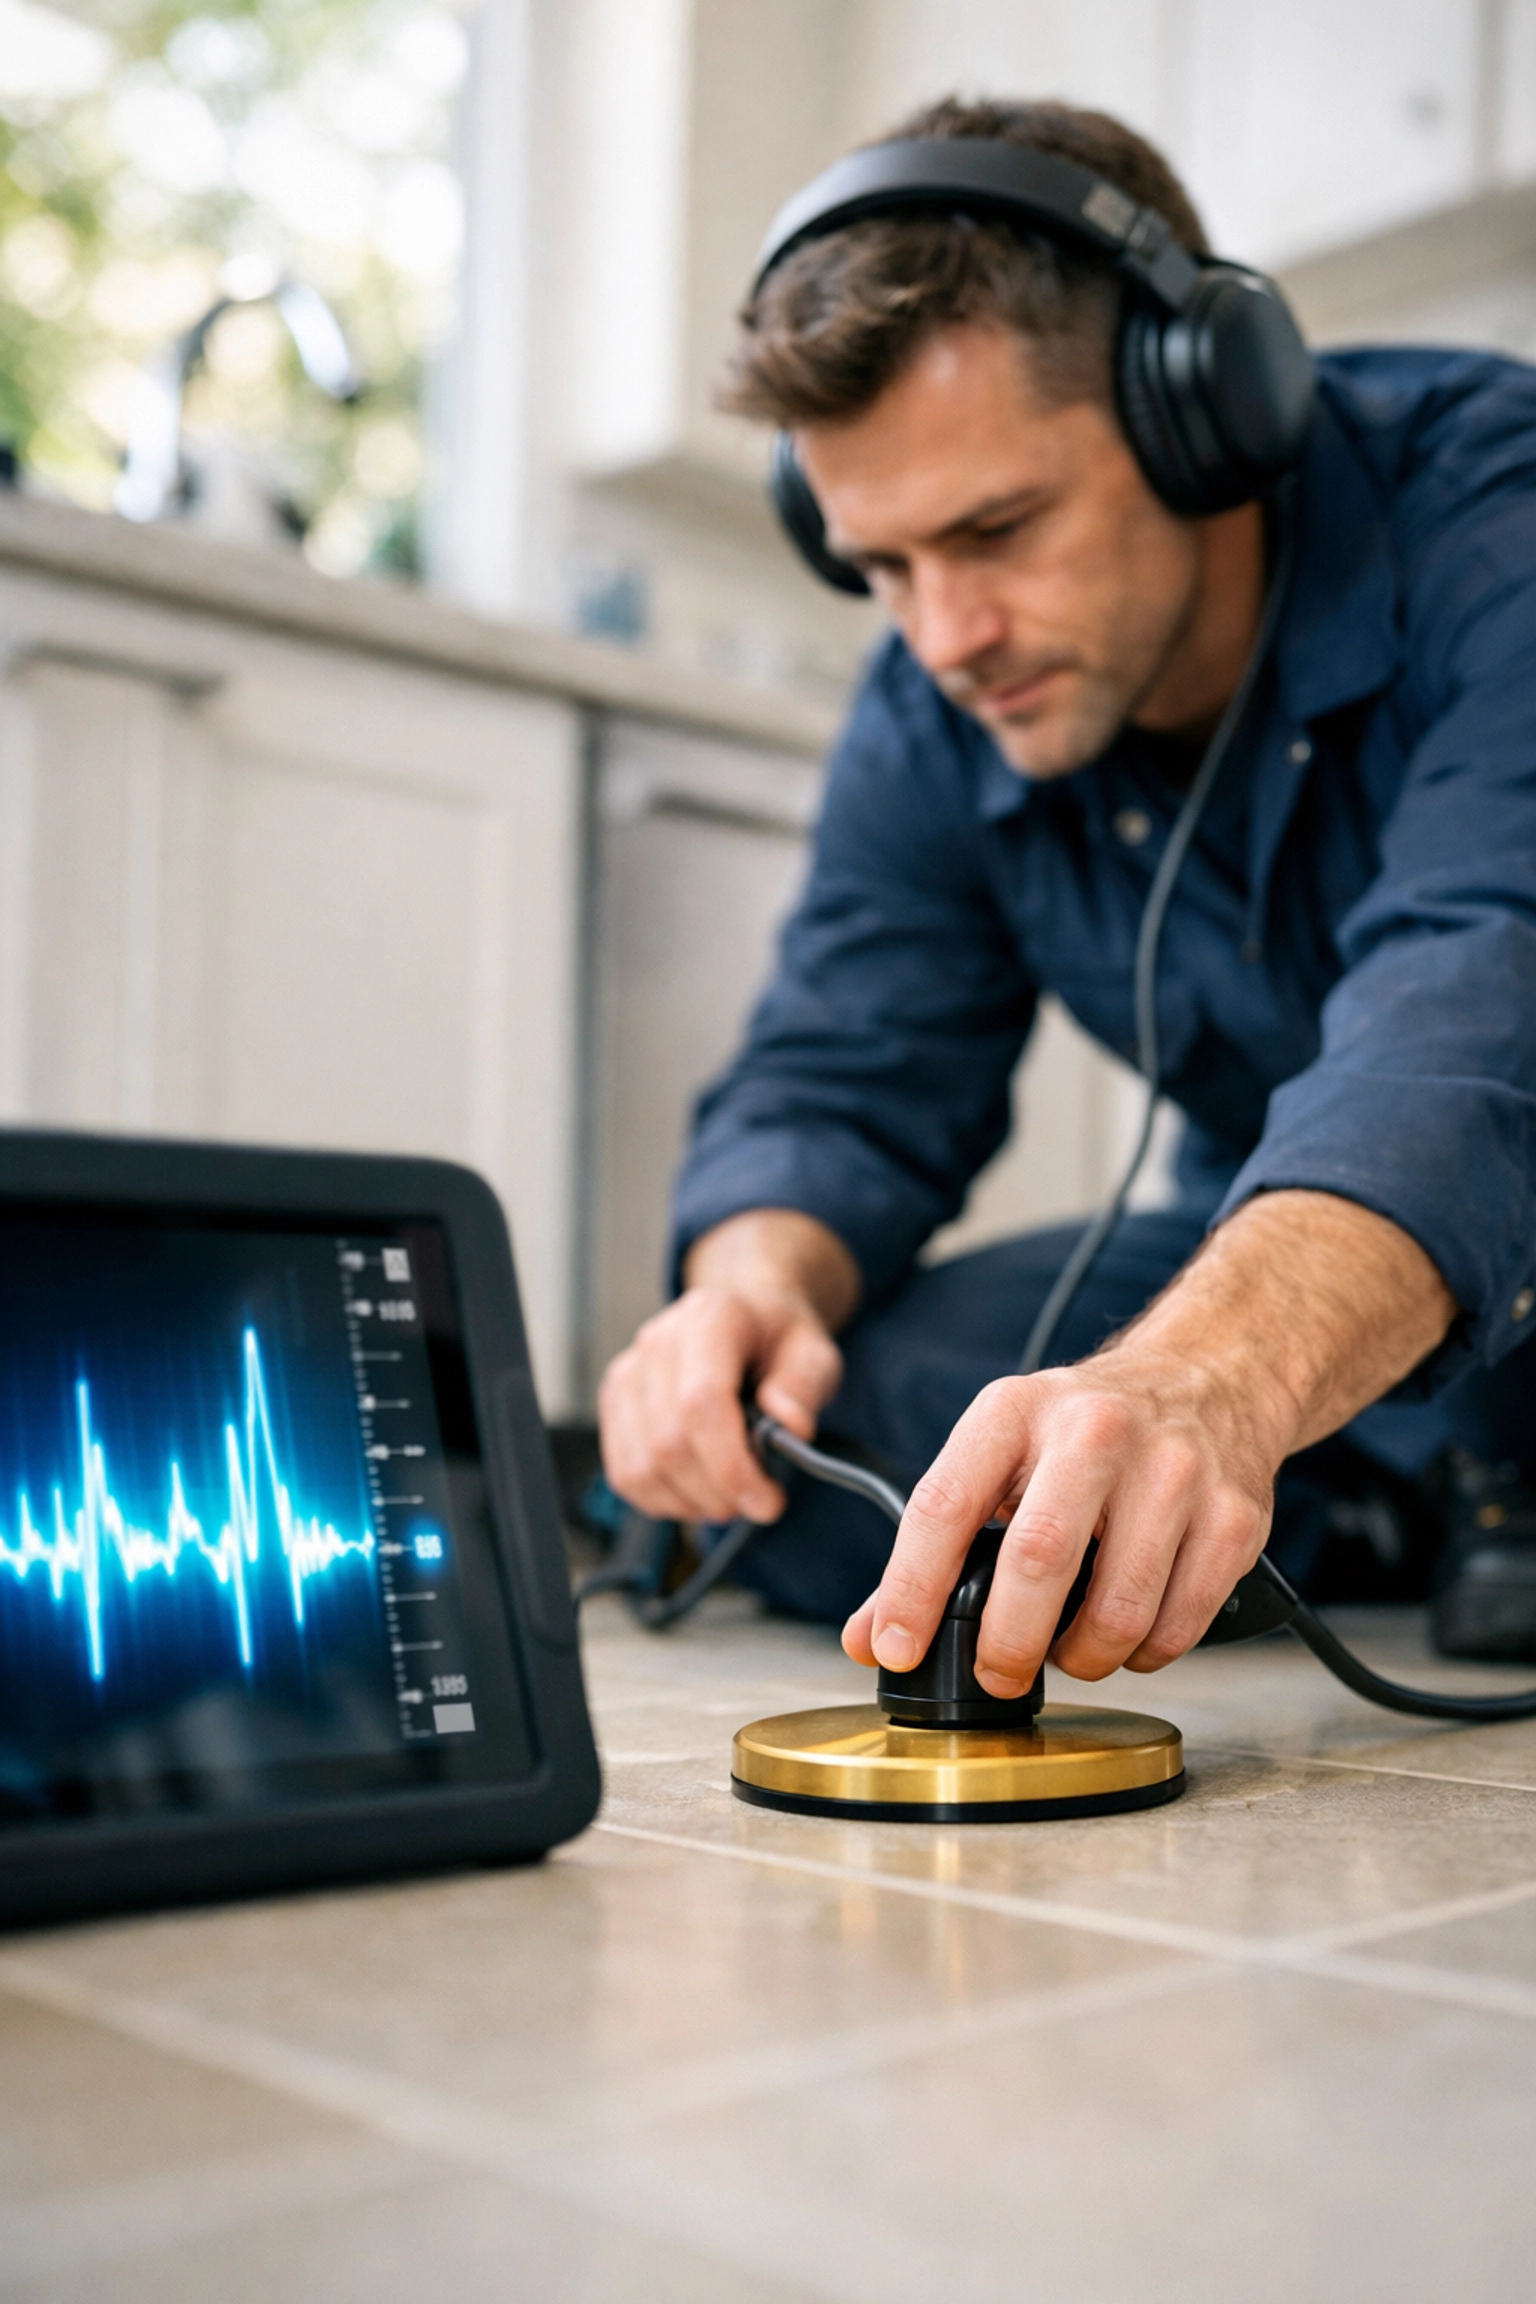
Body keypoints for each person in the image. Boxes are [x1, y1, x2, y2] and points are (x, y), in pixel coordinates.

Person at [598, 96, 1536, 1697]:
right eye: (881, 567)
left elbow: (1480, 1005)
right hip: (1277, 1247)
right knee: (862, 1442)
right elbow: (846, 1066)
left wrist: (1217, 1380)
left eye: (996, 529)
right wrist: (750, 1284)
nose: (946, 635)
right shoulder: (935, 698)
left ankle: (1407, 1468)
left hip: (1480, 1206)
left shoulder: (1494, 521)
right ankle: (1402, 1489)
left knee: (1185, 1379)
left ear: (1206, 413)